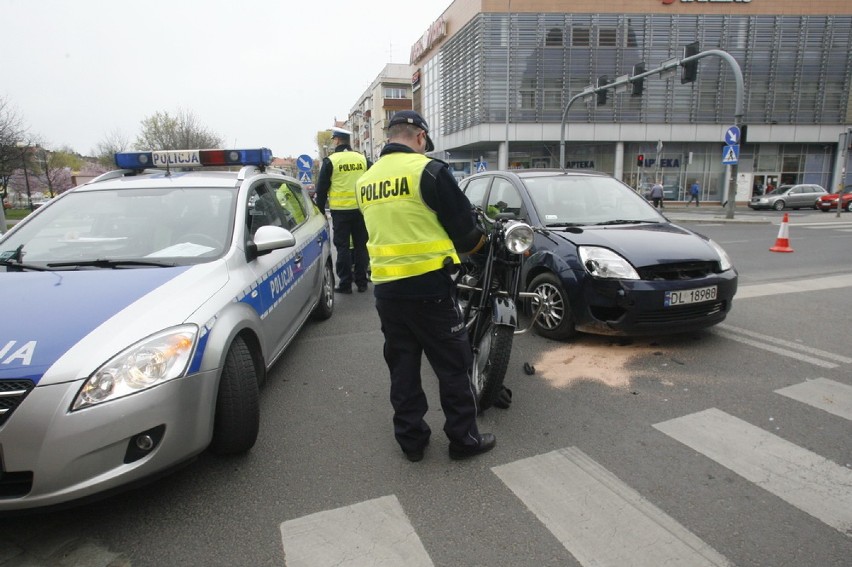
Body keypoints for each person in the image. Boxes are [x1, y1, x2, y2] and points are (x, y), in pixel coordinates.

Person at [355, 110, 496, 462]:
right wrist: (481, 245)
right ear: (420, 137)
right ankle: (464, 440)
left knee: (402, 366)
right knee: (452, 365)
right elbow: (464, 230)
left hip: (387, 290)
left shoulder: (366, 181)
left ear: (389, 136)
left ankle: (412, 443)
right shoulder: (429, 170)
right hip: (430, 288)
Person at [315, 127, 370, 293]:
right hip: (361, 210)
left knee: (343, 247)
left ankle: (345, 284)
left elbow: (322, 188)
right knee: (361, 247)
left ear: (337, 140)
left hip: (340, 213)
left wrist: (320, 211)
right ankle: (362, 282)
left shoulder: (331, 161)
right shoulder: (362, 159)